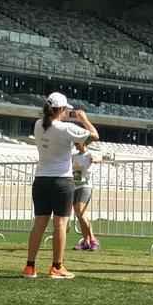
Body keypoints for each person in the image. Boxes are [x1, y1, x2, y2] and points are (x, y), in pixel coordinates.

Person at [23, 92, 98, 280]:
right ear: (62, 110)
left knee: (39, 224)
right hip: (61, 181)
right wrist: (84, 119)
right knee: (60, 224)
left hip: (41, 179)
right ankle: (57, 266)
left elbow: (51, 124)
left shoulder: (38, 125)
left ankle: (30, 266)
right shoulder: (66, 128)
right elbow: (95, 136)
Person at [71, 139, 97, 251]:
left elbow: (98, 158)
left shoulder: (89, 154)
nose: (75, 146)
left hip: (85, 186)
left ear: (83, 143)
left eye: (77, 143)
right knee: (79, 214)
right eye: (75, 144)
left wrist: (95, 160)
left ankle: (93, 239)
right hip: (75, 186)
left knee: (81, 212)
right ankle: (86, 241)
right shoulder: (74, 156)